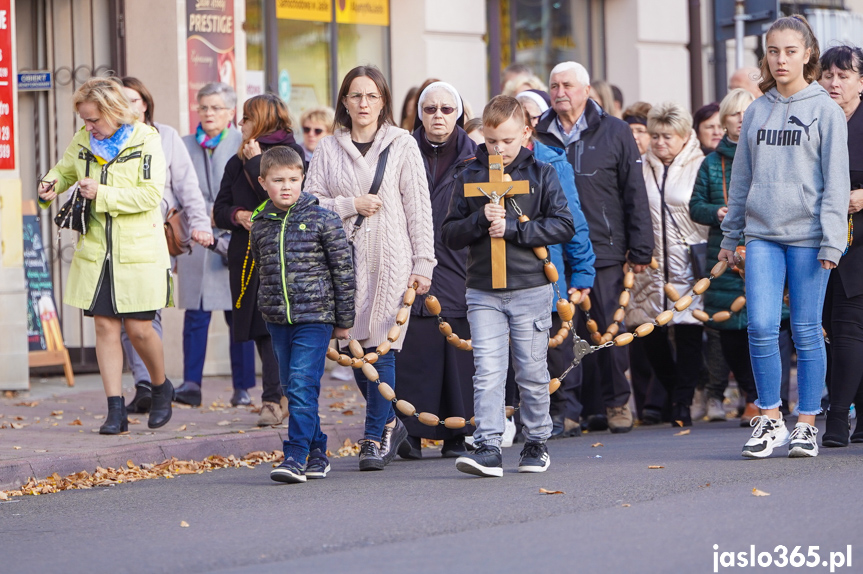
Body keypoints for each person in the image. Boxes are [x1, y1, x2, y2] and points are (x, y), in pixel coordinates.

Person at [719, 15, 850, 458]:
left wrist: (834, 240)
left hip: (810, 237)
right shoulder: (756, 109)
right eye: (773, 51)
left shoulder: (826, 111)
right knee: (759, 325)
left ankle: (807, 422)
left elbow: (836, 184)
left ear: (807, 53)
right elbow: (741, 181)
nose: (781, 59)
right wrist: (729, 235)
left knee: (808, 330)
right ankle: (771, 417)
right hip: (761, 235)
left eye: (790, 51)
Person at [305, 65, 436, 471]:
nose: (364, 104)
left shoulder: (402, 144)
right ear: (344, 101)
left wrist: (423, 261)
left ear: (383, 102)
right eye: (356, 96)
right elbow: (308, 202)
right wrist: (350, 204)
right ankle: (392, 421)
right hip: (343, 262)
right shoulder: (328, 148)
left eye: (372, 96)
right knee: (353, 349)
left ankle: (374, 437)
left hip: (391, 259)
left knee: (382, 347)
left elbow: (418, 206)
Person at [442, 95, 575, 477]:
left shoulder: (541, 172)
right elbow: (450, 233)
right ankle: (488, 445)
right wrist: (479, 220)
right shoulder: (468, 174)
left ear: (526, 133)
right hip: (483, 289)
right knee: (487, 370)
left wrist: (516, 229)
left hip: (530, 286)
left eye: (507, 141)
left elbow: (563, 225)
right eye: (491, 140)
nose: (498, 149)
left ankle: (536, 441)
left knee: (532, 370)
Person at [37, 77, 173, 432]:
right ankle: (115, 409)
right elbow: (65, 169)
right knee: (104, 326)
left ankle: (161, 387)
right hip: (97, 249)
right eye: (84, 120)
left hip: (138, 250)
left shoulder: (147, 140)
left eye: (94, 119)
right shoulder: (85, 139)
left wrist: (102, 192)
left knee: (140, 329)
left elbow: (149, 196)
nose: (88, 126)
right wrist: (49, 185)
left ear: (113, 113)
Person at [534, 61, 655, 434]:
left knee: (607, 330)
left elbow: (634, 190)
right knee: (565, 333)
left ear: (587, 90)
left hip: (604, 245)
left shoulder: (615, 131)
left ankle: (618, 403)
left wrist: (640, 247)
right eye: (554, 86)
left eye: (567, 85)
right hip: (555, 245)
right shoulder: (538, 133)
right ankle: (573, 409)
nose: (559, 93)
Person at [250, 147, 355, 483]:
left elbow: (343, 270)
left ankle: (295, 454)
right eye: (278, 180)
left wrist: (344, 320)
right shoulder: (260, 224)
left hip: (316, 317)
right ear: (263, 182)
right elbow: (261, 269)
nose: (286, 186)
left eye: (293, 179)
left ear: (302, 179)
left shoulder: (323, 217)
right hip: (278, 319)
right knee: (294, 386)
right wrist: (265, 308)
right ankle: (319, 452)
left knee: (300, 384)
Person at [117, 77, 213, 414]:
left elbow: (188, 187)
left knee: (146, 309)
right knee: (124, 313)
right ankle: (145, 383)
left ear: (144, 103)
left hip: (157, 234)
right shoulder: (108, 139)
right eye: (120, 100)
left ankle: (154, 383)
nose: (127, 106)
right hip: (119, 236)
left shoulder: (166, 136)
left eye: (132, 100)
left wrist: (200, 224)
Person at [393, 81, 477, 460]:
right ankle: (407, 431)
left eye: (446, 109)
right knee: (413, 350)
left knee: (456, 355)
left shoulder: (476, 157)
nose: (438, 116)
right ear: (419, 113)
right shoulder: (400, 149)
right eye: (430, 110)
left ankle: (457, 432)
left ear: (458, 113)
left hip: (459, 263)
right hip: (409, 261)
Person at [213, 94, 303, 425]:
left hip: (285, 253)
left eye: (247, 119)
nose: (241, 125)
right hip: (249, 255)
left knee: (281, 323)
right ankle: (275, 396)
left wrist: (256, 165)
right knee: (260, 325)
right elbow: (219, 209)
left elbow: (289, 200)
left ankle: (277, 398)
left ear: (262, 120)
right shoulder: (236, 161)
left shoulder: (291, 155)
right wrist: (238, 215)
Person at [176, 82, 258, 409]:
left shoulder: (244, 145)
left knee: (238, 315)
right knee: (195, 315)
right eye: (204, 107)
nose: (209, 113)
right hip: (198, 240)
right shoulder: (184, 145)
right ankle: (190, 383)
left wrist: (224, 215)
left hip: (234, 237)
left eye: (216, 108)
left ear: (230, 113)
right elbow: (175, 189)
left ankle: (242, 387)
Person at [627, 101, 707, 427]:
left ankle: (683, 402)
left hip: (688, 262)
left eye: (667, 137)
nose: (660, 143)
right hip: (651, 264)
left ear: (684, 136)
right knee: (651, 334)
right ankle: (676, 390)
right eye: (655, 136)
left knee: (688, 333)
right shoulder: (639, 166)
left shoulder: (701, 164)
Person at [689, 88, 760, 423]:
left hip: (764, 247)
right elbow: (695, 206)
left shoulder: (767, 151)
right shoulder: (711, 162)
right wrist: (716, 211)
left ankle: (763, 398)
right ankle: (749, 392)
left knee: (772, 324)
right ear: (725, 120)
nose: (742, 119)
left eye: (748, 112)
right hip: (726, 252)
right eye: (735, 114)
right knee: (728, 328)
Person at [529, 105, 595, 439]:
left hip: (549, 269)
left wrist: (583, 272)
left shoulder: (552, 161)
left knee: (555, 348)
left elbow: (574, 221)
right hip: (508, 273)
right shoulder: (486, 165)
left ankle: (560, 411)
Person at [817, 45, 863, 446]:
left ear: (861, 83)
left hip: (860, 244)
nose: (833, 82)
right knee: (832, 327)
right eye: (827, 74)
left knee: (848, 328)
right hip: (823, 241)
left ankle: (835, 421)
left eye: (843, 75)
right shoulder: (815, 118)